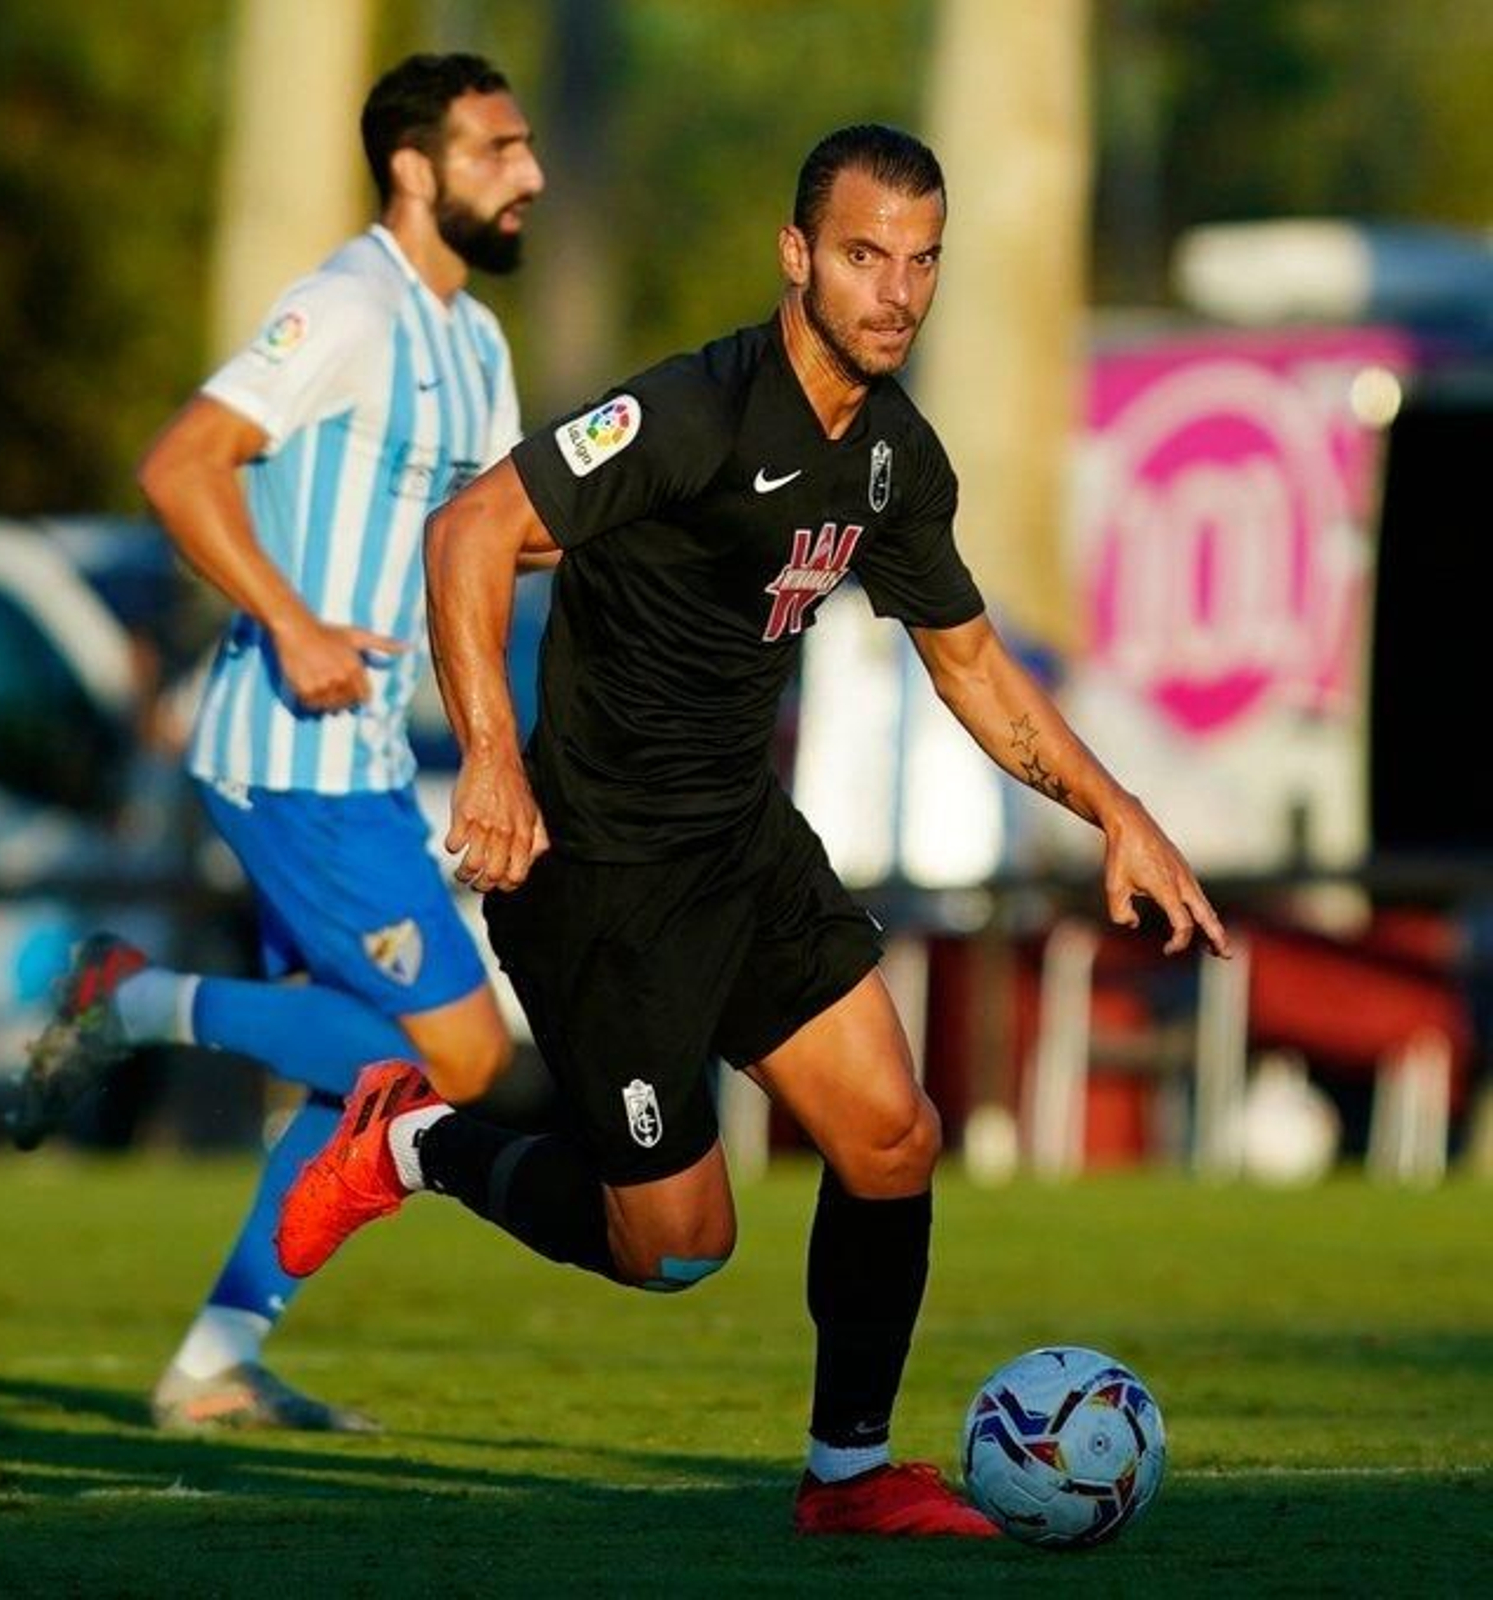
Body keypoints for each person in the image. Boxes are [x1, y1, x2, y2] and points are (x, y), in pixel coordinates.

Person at [275, 123, 1230, 1532]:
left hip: (743, 846)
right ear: (797, 257)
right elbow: (470, 529)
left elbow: (967, 660)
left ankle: (846, 1476)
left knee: (894, 1141)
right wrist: (490, 761)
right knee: (674, 1251)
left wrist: (1120, 814)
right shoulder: (694, 414)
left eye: (920, 263)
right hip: (600, 871)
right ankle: (413, 1142)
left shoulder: (895, 458)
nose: (895, 292)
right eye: (863, 256)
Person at [8, 52, 545, 1434]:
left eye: (528, 147)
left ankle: (214, 1361)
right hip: (292, 759)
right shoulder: (348, 305)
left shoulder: (472, 342)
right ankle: (128, 999)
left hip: (363, 763)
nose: (529, 175)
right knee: (468, 1061)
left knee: (359, 1074)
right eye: (497, 150)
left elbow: (499, 534)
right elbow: (181, 462)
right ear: (415, 169)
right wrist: (296, 624)